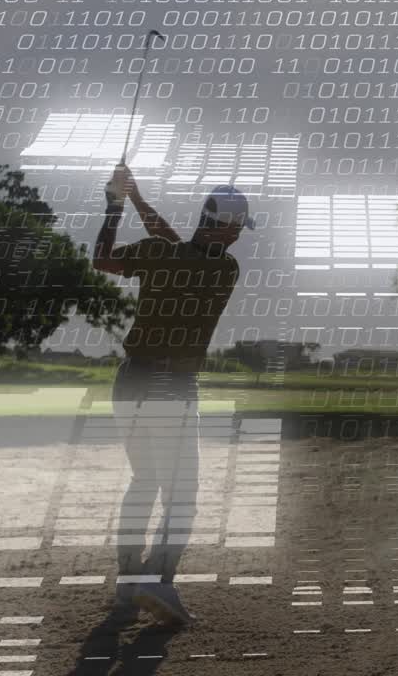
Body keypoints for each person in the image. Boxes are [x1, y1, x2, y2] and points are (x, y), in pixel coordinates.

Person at [92, 163, 253, 629]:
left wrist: (118, 204)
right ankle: (159, 583)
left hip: (130, 380)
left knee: (144, 480)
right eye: (237, 227)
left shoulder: (156, 254)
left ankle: (128, 583)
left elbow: (105, 258)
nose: (240, 235)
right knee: (182, 494)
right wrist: (136, 200)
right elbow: (180, 244)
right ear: (221, 227)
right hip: (172, 388)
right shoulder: (225, 269)